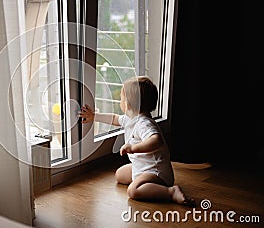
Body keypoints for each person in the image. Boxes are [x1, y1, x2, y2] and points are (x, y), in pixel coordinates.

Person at [78, 76, 196, 207]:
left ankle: (170, 192)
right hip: (142, 166)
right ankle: (143, 182)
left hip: (156, 172)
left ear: (127, 103)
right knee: (120, 175)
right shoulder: (130, 118)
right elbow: (114, 119)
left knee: (133, 191)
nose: (120, 101)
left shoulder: (144, 123)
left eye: (121, 98)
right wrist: (94, 116)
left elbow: (156, 140)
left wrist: (133, 148)